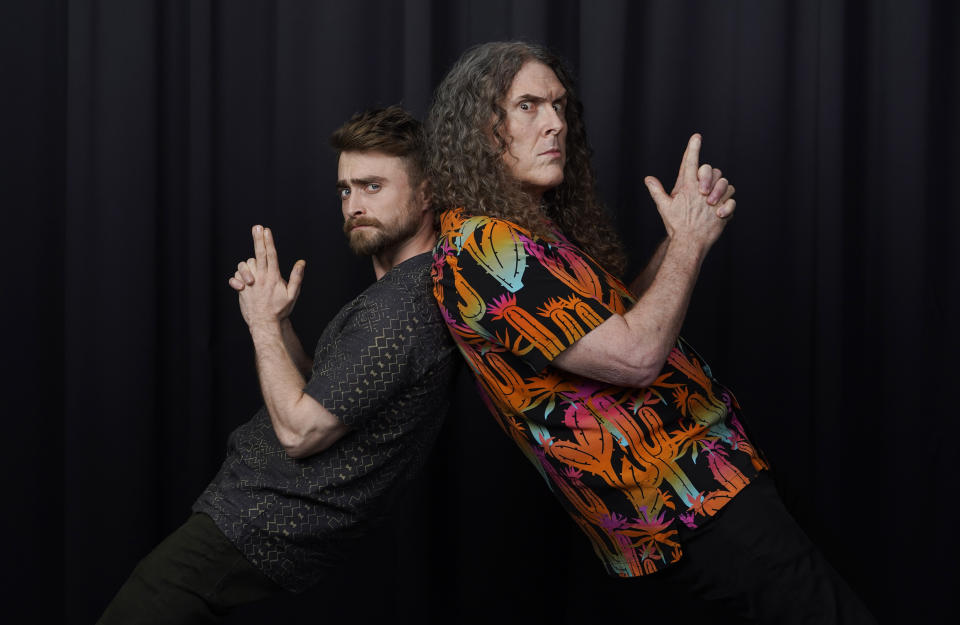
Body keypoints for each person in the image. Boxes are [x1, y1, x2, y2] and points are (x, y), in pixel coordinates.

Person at [427, 41, 876, 623]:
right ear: (481, 128)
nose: (556, 123)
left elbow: (618, 325)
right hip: (683, 500)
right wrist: (687, 243)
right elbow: (636, 356)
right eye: (529, 106)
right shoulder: (482, 249)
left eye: (559, 105)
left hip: (711, 476)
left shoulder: (524, 230)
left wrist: (683, 237)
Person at [98, 106, 456, 624]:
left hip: (261, 521)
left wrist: (263, 326)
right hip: (253, 513)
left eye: (372, 187)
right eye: (345, 190)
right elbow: (328, 393)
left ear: (426, 194)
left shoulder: (400, 307)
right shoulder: (400, 295)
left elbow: (299, 432)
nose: (353, 205)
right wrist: (279, 323)